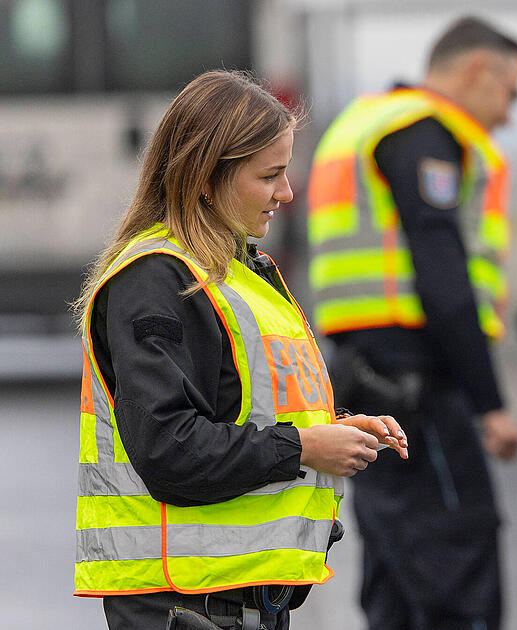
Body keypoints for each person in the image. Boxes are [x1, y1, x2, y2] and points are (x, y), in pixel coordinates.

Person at [72, 70, 408, 630]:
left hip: (231, 603)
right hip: (182, 604)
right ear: (205, 177)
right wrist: (304, 447)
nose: (287, 193)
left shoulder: (238, 274)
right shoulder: (157, 279)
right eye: (270, 175)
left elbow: (243, 410)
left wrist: (338, 429)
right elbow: (169, 450)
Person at [306, 15, 517, 630]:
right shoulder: (423, 135)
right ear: (478, 70)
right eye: (511, 94)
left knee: (395, 573)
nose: (508, 116)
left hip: (366, 377)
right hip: (422, 386)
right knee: (458, 558)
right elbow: (445, 283)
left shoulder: (362, 123)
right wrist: (491, 403)